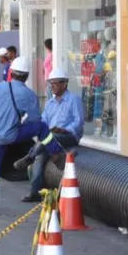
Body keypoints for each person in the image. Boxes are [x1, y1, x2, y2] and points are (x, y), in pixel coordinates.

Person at [0, 56, 65, 211]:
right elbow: (35, 119)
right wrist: (21, 124)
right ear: (26, 76)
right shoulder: (29, 95)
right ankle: (55, 153)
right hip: (12, 135)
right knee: (41, 127)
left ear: (11, 72)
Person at [17, 68, 84, 202]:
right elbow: (44, 120)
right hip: (51, 138)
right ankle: (35, 191)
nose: (51, 86)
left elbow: (79, 121)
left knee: (49, 138)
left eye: (55, 83)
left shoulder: (74, 100)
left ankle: (29, 156)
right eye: (50, 83)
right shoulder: (50, 103)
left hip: (68, 137)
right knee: (40, 157)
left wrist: (66, 129)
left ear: (64, 83)